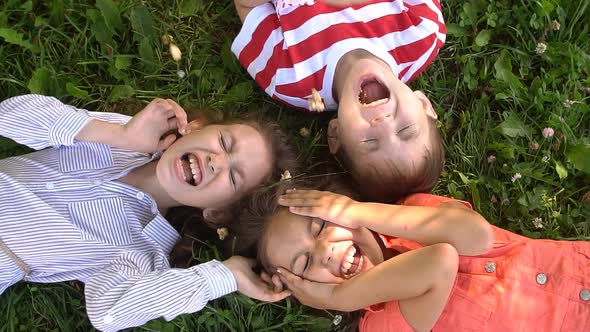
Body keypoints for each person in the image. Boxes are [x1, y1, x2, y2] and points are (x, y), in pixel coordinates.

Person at [0, 94, 295, 331]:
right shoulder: (120, 136)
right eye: (223, 142)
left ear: (217, 213)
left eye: (233, 178)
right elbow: (9, 116)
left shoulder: (145, 252)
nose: (216, 162)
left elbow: (109, 312)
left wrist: (225, 275)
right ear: (195, 126)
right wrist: (119, 135)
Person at [231, 180, 590, 331]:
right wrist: (338, 297)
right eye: (305, 264)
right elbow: (439, 263)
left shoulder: (406, 214)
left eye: (320, 227)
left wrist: (359, 212)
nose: (326, 252)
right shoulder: (380, 324)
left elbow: (475, 233)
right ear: (307, 290)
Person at [231, 0, 446, 202]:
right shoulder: (421, 33)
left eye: (370, 143)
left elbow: (248, 5)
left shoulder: (288, 76)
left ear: (336, 134)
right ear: (424, 105)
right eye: (406, 130)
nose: (384, 122)